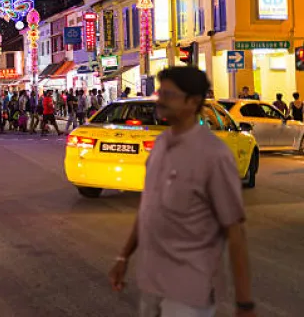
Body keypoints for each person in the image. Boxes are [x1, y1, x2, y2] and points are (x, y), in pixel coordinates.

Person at [109, 66, 255, 317]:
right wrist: (123, 257)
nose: (161, 100)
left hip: (190, 291)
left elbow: (235, 230)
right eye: (160, 93)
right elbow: (148, 208)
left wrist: (244, 304)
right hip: (152, 283)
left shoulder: (213, 155)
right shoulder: (160, 145)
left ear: (193, 102)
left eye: (169, 95)